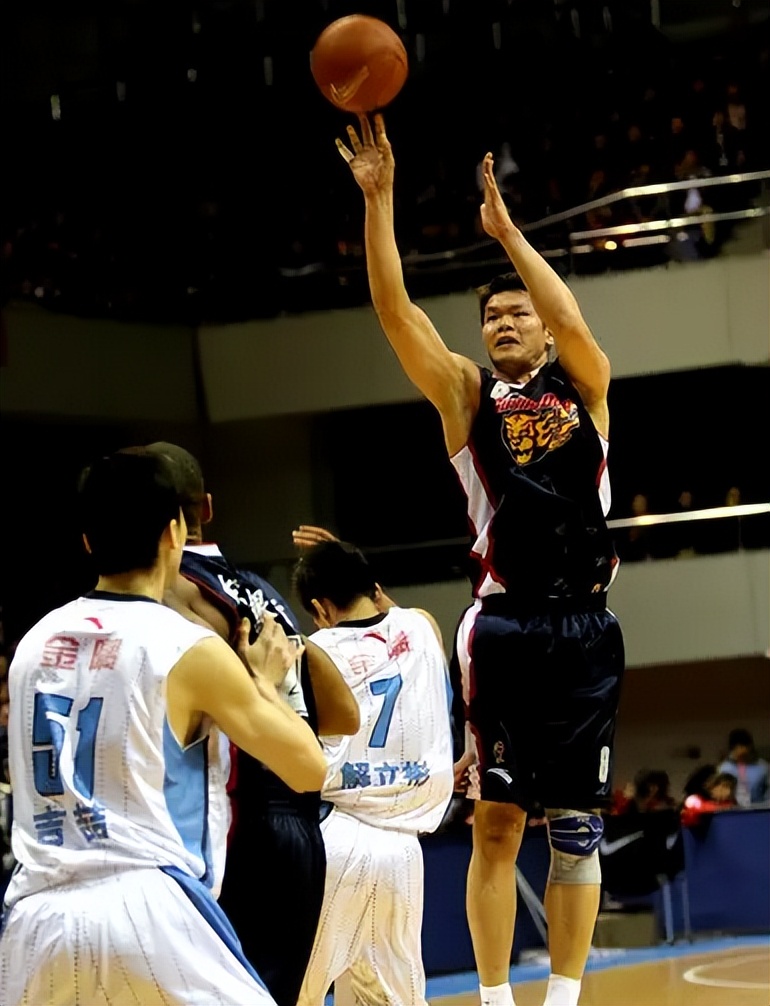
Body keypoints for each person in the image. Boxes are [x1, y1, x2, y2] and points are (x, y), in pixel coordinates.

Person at [336, 113, 625, 1006]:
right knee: (497, 824)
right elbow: (396, 314)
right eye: (492, 314)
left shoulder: (586, 385)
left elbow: (571, 315)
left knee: (576, 832)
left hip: (585, 624)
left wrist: (508, 235)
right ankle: (498, 999)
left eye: (517, 313)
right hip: (501, 626)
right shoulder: (467, 397)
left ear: (543, 327)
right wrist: (379, 201)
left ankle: (565, 998)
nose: (504, 321)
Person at [0, 449, 327, 1005]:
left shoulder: (33, 644)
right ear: (176, 531)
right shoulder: (183, 644)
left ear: (87, 540)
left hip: (36, 916)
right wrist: (265, 681)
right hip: (144, 902)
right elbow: (307, 766)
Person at [146, 442, 359, 1006]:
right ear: (207, 508)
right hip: (304, 827)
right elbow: (343, 716)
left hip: (244, 824)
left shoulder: (173, 592)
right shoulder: (263, 592)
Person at [293, 538, 454, 1005]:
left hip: (337, 836)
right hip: (405, 852)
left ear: (321, 608)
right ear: (374, 586)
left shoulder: (313, 651)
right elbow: (388, 615)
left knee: (290, 991)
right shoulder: (422, 627)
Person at [718, 728, 769, 807]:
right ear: (732, 749)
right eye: (738, 748)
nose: (741, 751)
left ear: (750, 747)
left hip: (759, 810)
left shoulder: (763, 767)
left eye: (745, 748)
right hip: (732, 812)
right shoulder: (724, 769)